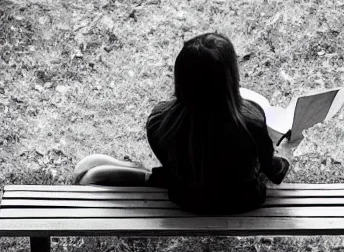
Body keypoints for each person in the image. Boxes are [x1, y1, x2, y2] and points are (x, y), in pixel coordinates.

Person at [73, 32, 289, 214]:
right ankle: (133, 172)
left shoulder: (160, 121)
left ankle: (129, 171)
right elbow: (272, 170)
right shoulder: (252, 121)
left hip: (187, 197)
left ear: (181, 78)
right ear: (230, 77)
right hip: (241, 201)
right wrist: (285, 157)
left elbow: (174, 163)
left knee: (191, 172)